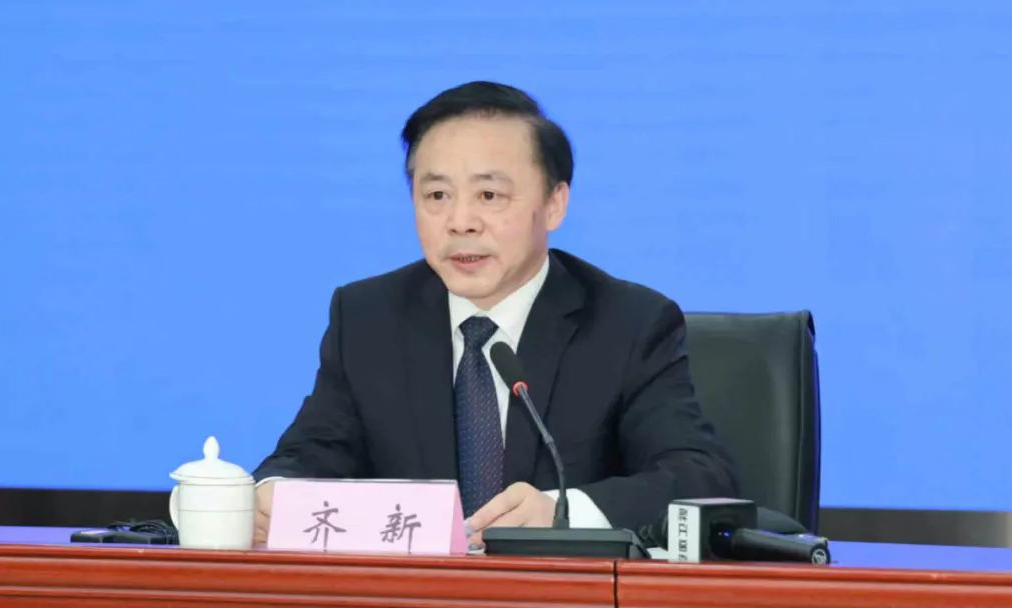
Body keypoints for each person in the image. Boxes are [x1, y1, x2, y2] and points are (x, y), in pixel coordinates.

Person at [252, 81, 738, 547]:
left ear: (554, 204)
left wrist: (561, 512)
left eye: (489, 195)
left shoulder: (629, 324)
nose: (461, 222)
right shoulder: (368, 318)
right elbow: (310, 454)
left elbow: (699, 477)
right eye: (437, 196)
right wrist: (272, 495)